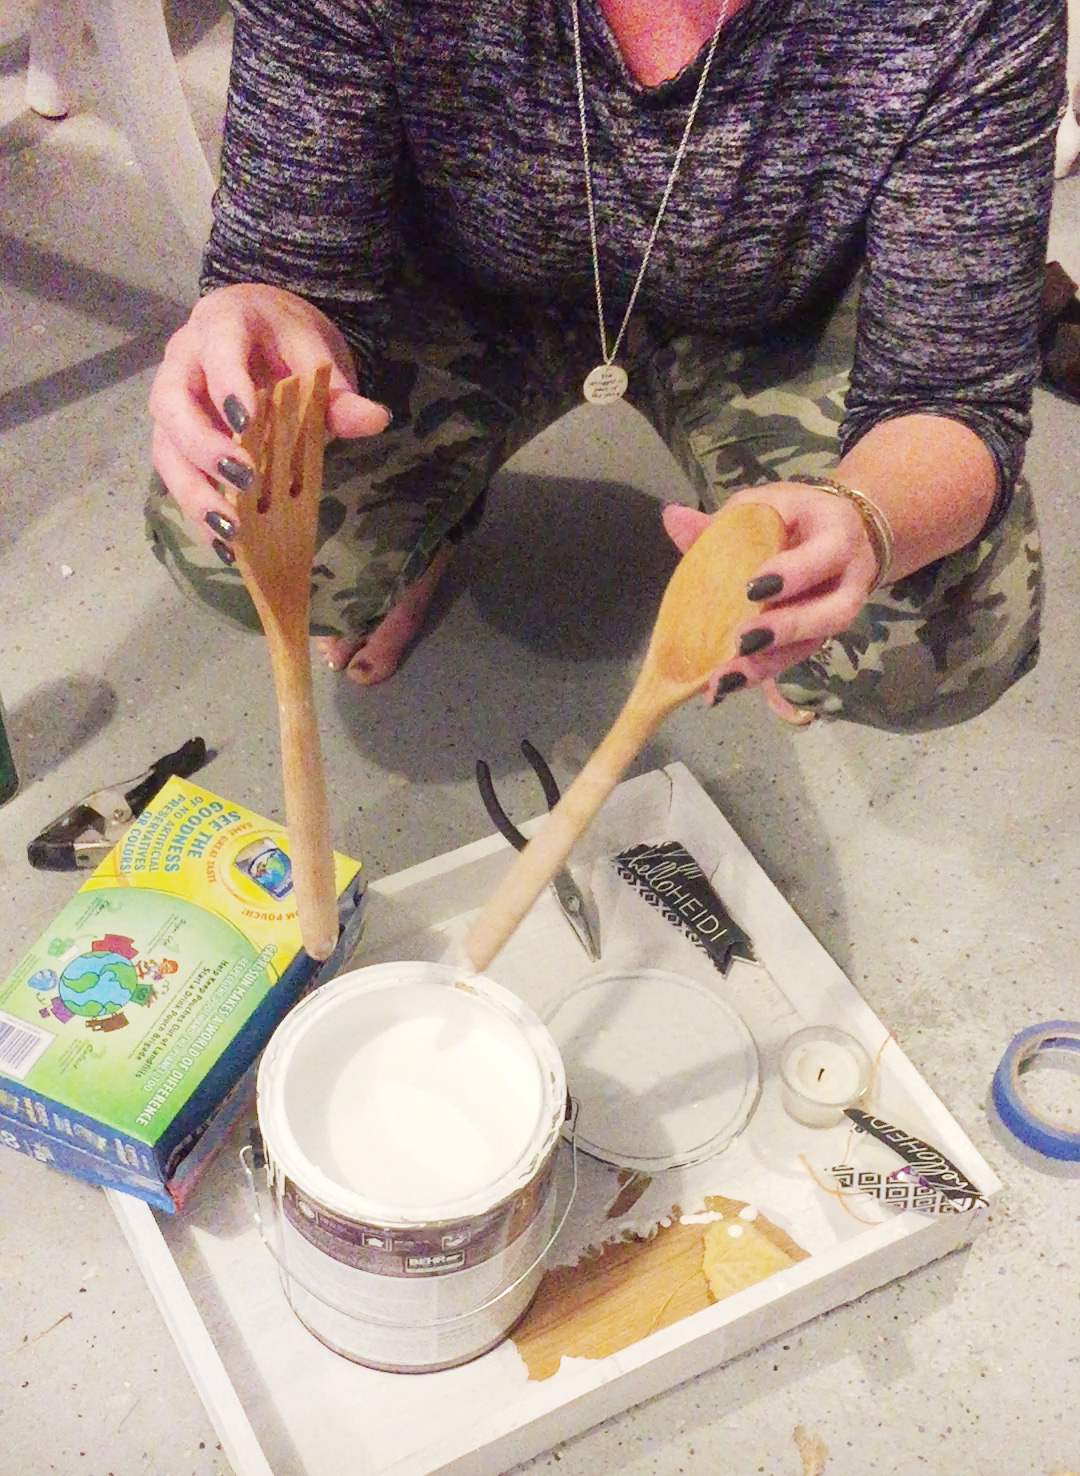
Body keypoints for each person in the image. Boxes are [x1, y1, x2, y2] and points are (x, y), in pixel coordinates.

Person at [146, 0, 1064, 730]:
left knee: (934, 636)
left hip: (773, 306)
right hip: (473, 283)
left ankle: (778, 571)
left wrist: (860, 523)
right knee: (256, 530)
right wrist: (269, 316)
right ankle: (436, 522)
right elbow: (295, 260)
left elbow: (950, 390)